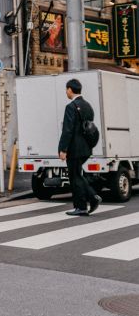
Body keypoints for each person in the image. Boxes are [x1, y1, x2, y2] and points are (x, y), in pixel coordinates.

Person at [58, 78, 102, 217]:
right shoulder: (88, 105)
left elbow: (68, 130)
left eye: (66, 89)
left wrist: (63, 149)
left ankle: (83, 205)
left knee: (75, 177)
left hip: (75, 149)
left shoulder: (71, 107)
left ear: (70, 89)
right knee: (78, 175)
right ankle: (89, 200)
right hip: (86, 148)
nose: (66, 92)